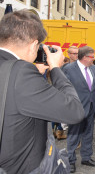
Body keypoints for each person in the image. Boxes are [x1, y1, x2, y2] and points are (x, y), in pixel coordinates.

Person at [0, 10, 84, 173]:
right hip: (21, 167)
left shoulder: (15, 71)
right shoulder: (21, 72)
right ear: (33, 45)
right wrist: (56, 69)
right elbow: (74, 111)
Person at [63, 46, 95, 173]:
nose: (94, 59)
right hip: (76, 108)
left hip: (91, 107)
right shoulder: (68, 69)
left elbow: (94, 88)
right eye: (92, 56)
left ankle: (86, 157)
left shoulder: (94, 68)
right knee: (74, 135)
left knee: (88, 133)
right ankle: (70, 160)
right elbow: (63, 88)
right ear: (84, 57)